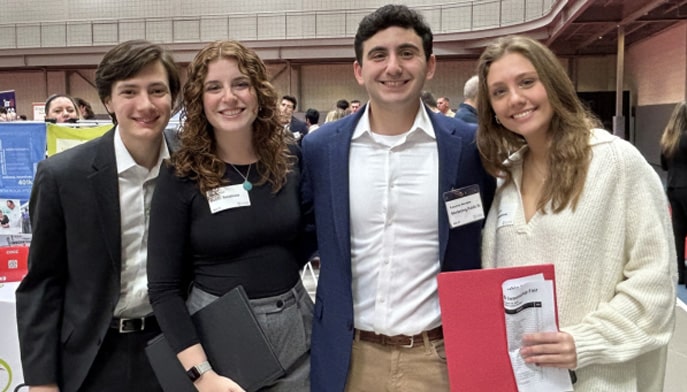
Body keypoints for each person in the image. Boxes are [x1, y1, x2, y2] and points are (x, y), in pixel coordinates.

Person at [300, 5, 495, 391]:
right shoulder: (321, 150)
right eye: (378, 55)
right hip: (350, 358)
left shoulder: (469, 148)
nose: (393, 67)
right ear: (359, 70)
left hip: (440, 358)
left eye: (407, 53)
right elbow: (300, 233)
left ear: (430, 64)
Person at [477, 35, 675, 391]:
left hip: (598, 379)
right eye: (499, 91)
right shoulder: (507, 178)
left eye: (526, 82)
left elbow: (655, 283)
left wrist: (583, 342)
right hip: (524, 380)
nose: (516, 99)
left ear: (552, 84)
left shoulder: (615, 161)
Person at [147, 40, 314, 392]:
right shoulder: (181, 174)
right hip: (221, 344)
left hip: (297, 329)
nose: (229, 97)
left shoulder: (288, 159)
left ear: (258, 92)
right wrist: (202, 375)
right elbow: (163, 289)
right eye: (214, 87)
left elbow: (303, 240)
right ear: (199, 100)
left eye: (240, 84)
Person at [15, 39, 181, 392]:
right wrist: (41, 382)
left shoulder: (193, 165)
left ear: (173, 97)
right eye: (129, 92)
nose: (145, 105)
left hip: (177, 347)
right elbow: (43, 284)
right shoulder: (62, 176)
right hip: (94, 355)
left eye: (157, 90)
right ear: (107, 100)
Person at [661, 100, 687, 286]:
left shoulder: (667, 139)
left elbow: (663, 165)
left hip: (672, 188)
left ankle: (680, 274)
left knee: (678, 232)